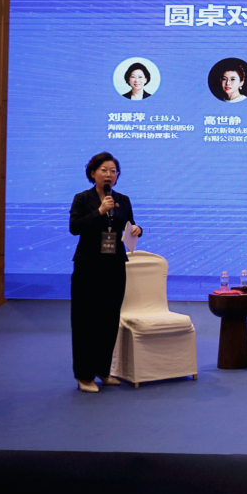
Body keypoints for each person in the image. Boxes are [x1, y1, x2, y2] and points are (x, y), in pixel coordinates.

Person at [68, 152, 142, 393]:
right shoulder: (83, 199)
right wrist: (99, 211)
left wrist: (137, 229)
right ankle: (84, 375)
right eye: (104, 170)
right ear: (93, 173)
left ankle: (103, 370)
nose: (109, 174)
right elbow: (74, 227)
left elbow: (129, 225)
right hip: (88, 266)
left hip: (114, 265)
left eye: (113, 171)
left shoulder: (122, 200)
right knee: (86, 321)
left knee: (109, 320)